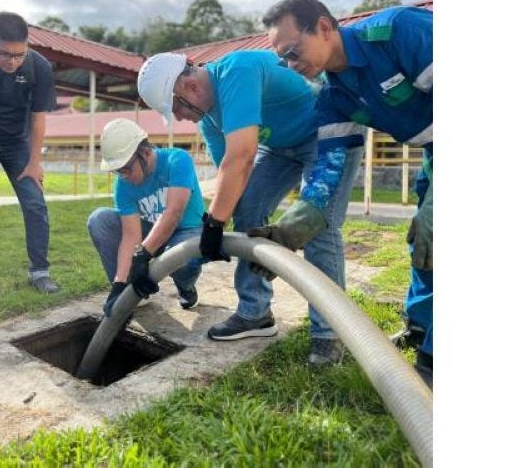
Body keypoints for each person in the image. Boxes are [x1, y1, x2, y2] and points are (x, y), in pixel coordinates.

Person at [137, 50, 363, 366]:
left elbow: (242, 156)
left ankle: (330, 334)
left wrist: (214, 225)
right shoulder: (209, 119)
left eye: (176, 107)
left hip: (327, 130)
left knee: (317, 225)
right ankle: (255, 313)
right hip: (281, 148)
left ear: (189, 87)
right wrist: (216, 221)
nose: (179, 116)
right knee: (246, 210)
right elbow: (230, 177)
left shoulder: (236, 72)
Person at [259, 0, 433, 387]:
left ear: (323, 26)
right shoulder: (334, 96)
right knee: (423, 240)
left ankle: (433, 360)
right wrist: (289, 232)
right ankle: (421, 328)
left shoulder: (398, 32)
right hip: (432, 149)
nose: (290, 64)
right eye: (282, 58)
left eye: (292, 51)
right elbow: (329, 171)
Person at [0, 11, 58, 304]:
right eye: (5, 54)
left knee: (35, 204)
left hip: (18, 143)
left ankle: (40, 272)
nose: (13, 61)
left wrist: (34, 162)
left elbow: (38, 119)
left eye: (20, 54)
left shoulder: (38, 66)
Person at [87, 118, 205, 315]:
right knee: (100, 220)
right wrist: (119, 282)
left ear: (145, 152)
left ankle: (185, 287)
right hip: (150, 231)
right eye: (118, 171)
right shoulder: (123, 185)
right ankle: (130, 291)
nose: (123, 175)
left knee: (178, 254)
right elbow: (131, 235)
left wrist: (142, 255)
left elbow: (174, 213)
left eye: (125, 168)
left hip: (186, 232)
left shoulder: (177, 160)